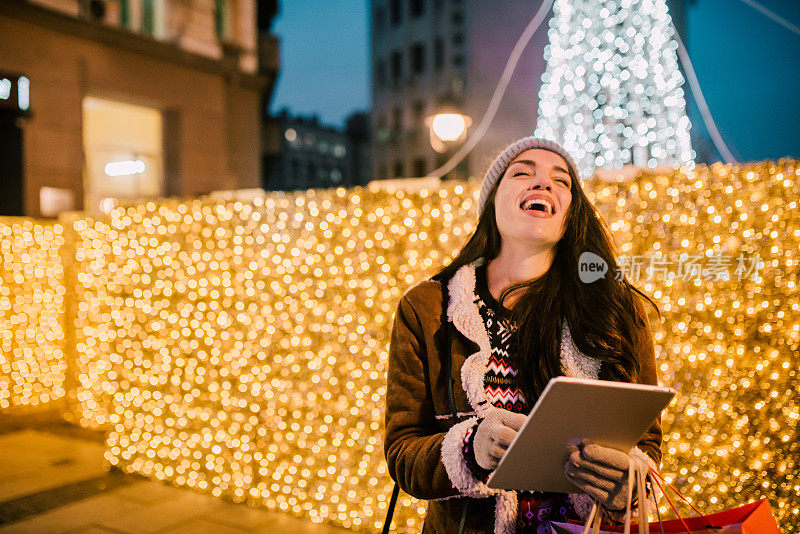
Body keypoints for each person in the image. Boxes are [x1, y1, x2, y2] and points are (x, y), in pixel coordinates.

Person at [384, 136, 664, 533]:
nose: (543, 183)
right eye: (522, 173)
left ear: (571, 214)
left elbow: (645, 442)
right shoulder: (427, 307)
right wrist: (470, 449)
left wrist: (629, 487)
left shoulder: (617, 310)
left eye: (561, 181)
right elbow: (402, 452)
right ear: (492, 202)